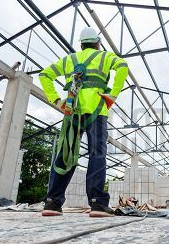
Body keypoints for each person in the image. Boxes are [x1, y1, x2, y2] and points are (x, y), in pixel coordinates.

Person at [39, 27, 128, 217]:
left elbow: (44, 75)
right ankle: (97, 204)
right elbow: (123, 66)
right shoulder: (105, 57)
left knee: (66, 152)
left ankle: (52, 202)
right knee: (97, 154)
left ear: (81, 44)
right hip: (96, 110)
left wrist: (56, 100)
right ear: (97, 43)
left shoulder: (70, 59)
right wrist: (112, 94)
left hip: (72, 111)